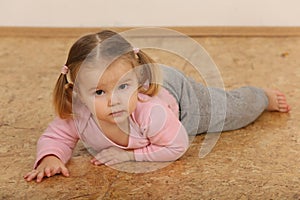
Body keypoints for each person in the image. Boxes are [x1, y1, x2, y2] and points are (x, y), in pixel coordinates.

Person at [24, 30, 291, 183]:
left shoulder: (151, 113)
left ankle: (260, 96)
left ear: (138, 80)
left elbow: (177, 145)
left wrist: (131, 156)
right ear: (78, 94)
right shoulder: (79, 114)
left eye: (122, 88)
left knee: (230, 111)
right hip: (142, 85)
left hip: (180, 99)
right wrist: (51, 157)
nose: (113, 100)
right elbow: (55, 136)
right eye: (99, 92)